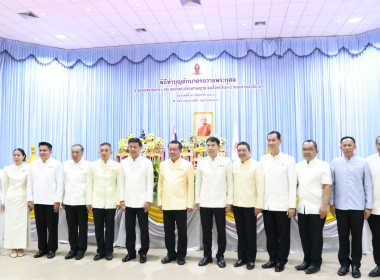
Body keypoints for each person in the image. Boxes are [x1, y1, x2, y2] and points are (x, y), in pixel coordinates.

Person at [330, 136, 372, 278]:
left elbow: (367, 185)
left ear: (355, 146)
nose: (347, 147)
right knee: (343, 237)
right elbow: (332, 185)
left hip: (358, 207)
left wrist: (368, 206)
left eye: (349, 145)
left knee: (357, 237)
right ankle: (344, 264)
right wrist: (332, 203)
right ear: (340, 147)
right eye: (344, 145)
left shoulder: (362, 163)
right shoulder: (335, 163)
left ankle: (355, 265)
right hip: (341, 207)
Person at [260, 131, 297, 272]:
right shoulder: (263, 159)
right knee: (270, 234)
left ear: (280, 141)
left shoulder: (289, 159)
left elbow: (292, 183)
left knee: (283, 234)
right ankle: (272, 258)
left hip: (283, 205)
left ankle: (281, 260)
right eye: (269, 140)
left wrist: (291, 205)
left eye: (273, 140)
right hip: (267, 204)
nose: (271, 143)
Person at [195, 136, 233, 268]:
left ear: (218, 147)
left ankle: (220, 256)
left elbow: (230, 184)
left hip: (220, 203)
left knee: (221, 231)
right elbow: (198, 183)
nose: (210, 148)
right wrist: (197, 200)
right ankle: (207, 256)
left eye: (213, 145)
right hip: (205, 203)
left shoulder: (226, 161)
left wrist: (229, 201)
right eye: (208, 145)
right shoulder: (201, 162)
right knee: (206, 231)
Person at [295, 140, 332, 274]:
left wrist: (324, 206)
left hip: (318, 208)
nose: (307, 152)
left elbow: (328, 186)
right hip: (302, 207)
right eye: (304, 149)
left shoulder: (323, 165)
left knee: (316, 237)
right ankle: (307, 260)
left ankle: (316, 263)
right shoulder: (298, 165)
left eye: (310, 149)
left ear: (316, 151)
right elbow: (296, 185)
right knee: (304, 236)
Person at [158, 140, 194, 265]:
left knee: (182, 232)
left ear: (180, 151)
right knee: (168, 232)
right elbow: (160, 185)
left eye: (175, 149)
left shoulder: (187, 165)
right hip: (167, 203)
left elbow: (190, 186)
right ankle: (170, 254)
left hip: (181, 204)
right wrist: (160, 201)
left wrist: (190, 204)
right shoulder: (163, 164)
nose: (172, 152)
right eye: (170, 149)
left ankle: (181, 255)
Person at [119, 138, 153, 264]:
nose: (132, 149)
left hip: (142, 202)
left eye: (135, 147)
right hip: (128, 202)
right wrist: (121, 199)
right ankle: (131, 252)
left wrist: (148, 200)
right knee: (129, 229)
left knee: (144, 229)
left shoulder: (146, 162)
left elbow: (150, 183)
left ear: (140, 148)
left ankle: (143, 253)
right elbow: (121, 183)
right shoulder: (124, 163)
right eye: (130, 147)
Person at [27, 142, 63, 259]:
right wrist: (30, 199)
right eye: (40, 150)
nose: (42, 152)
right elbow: (30, 183)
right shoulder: (33, 164)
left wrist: (58, 201)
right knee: (40, 226)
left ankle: (52, 249)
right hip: (38, 201)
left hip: (51, 202)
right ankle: (42, 248)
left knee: (52, 227)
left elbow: (60, 184)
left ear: (50, 151)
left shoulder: (56, 164)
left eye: (45, 150)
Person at [232, 142, 264, 270]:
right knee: (241, 233)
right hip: (237, 204)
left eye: (244, 150)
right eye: (239, 150)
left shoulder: (257, 165)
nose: (241, 153)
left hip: (251, 205)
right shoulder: (234, 165)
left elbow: (260, 186)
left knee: (250, 233)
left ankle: (251, 259)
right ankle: (241, 257)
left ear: (249, 151)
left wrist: (259, 205)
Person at [86, 142, 120, 261]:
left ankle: (109, 251)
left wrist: (118, 200)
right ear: (99, 152)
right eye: (102, 150)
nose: (104, 152)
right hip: (97, 202)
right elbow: (89, 184)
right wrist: (88, 201)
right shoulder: (93, 166)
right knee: (98, 228)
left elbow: (119, 184)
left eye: (106, 150)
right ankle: (100, 251)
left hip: (111, 202)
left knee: (110, 228)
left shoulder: (116, 166)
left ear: (111, 152)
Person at [62, 144, 89, 260]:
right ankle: (73, 248)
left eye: (77, 152)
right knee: (71, 226)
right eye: (73, 152)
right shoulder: (66, 165)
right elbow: (63, 183)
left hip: (82, 202)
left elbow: (88, 185)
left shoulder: (88, 165)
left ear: (82, 153)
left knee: (82, 227)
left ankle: (81, 249)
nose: (75, 154)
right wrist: (62, 199)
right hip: (68, 201)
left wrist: (88, 201)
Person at [1, 148, 30, 258]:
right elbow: (5, 186)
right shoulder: (7, 169)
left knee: (22, 224)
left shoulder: (28, 168)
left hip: (23, 199)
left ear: (23, 156)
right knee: (11, 224)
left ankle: (21, 247)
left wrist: (30, 200)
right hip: (10, 199)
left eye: (18, 155)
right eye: (14, 155)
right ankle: (13, 247)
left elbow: (29, 186)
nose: (16, 157)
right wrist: (3, 202)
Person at [366, 136, 380, 277]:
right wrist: (367, 206)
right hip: (375, 208)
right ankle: (379, 264)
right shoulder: (369, 161)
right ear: (376, 145)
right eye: (379, 144)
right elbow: (365, 185)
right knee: (377, 238)